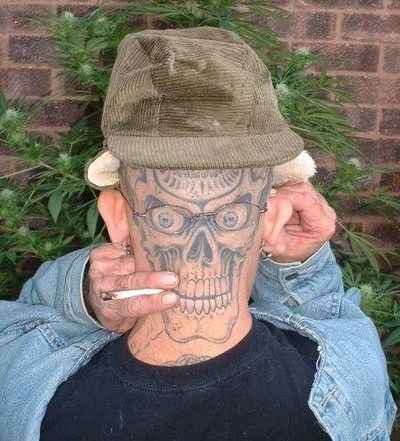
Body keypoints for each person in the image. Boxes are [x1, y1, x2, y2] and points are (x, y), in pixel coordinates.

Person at [0, 26, 396, 441]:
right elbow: (328, 328)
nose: (202, 255)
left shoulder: (23, 387)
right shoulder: (351, 379)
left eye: (229, 217)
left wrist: (82, 292)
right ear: (274, 218)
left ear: (115, 216)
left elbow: (18, 325)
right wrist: (300, 270)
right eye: (169, 220)